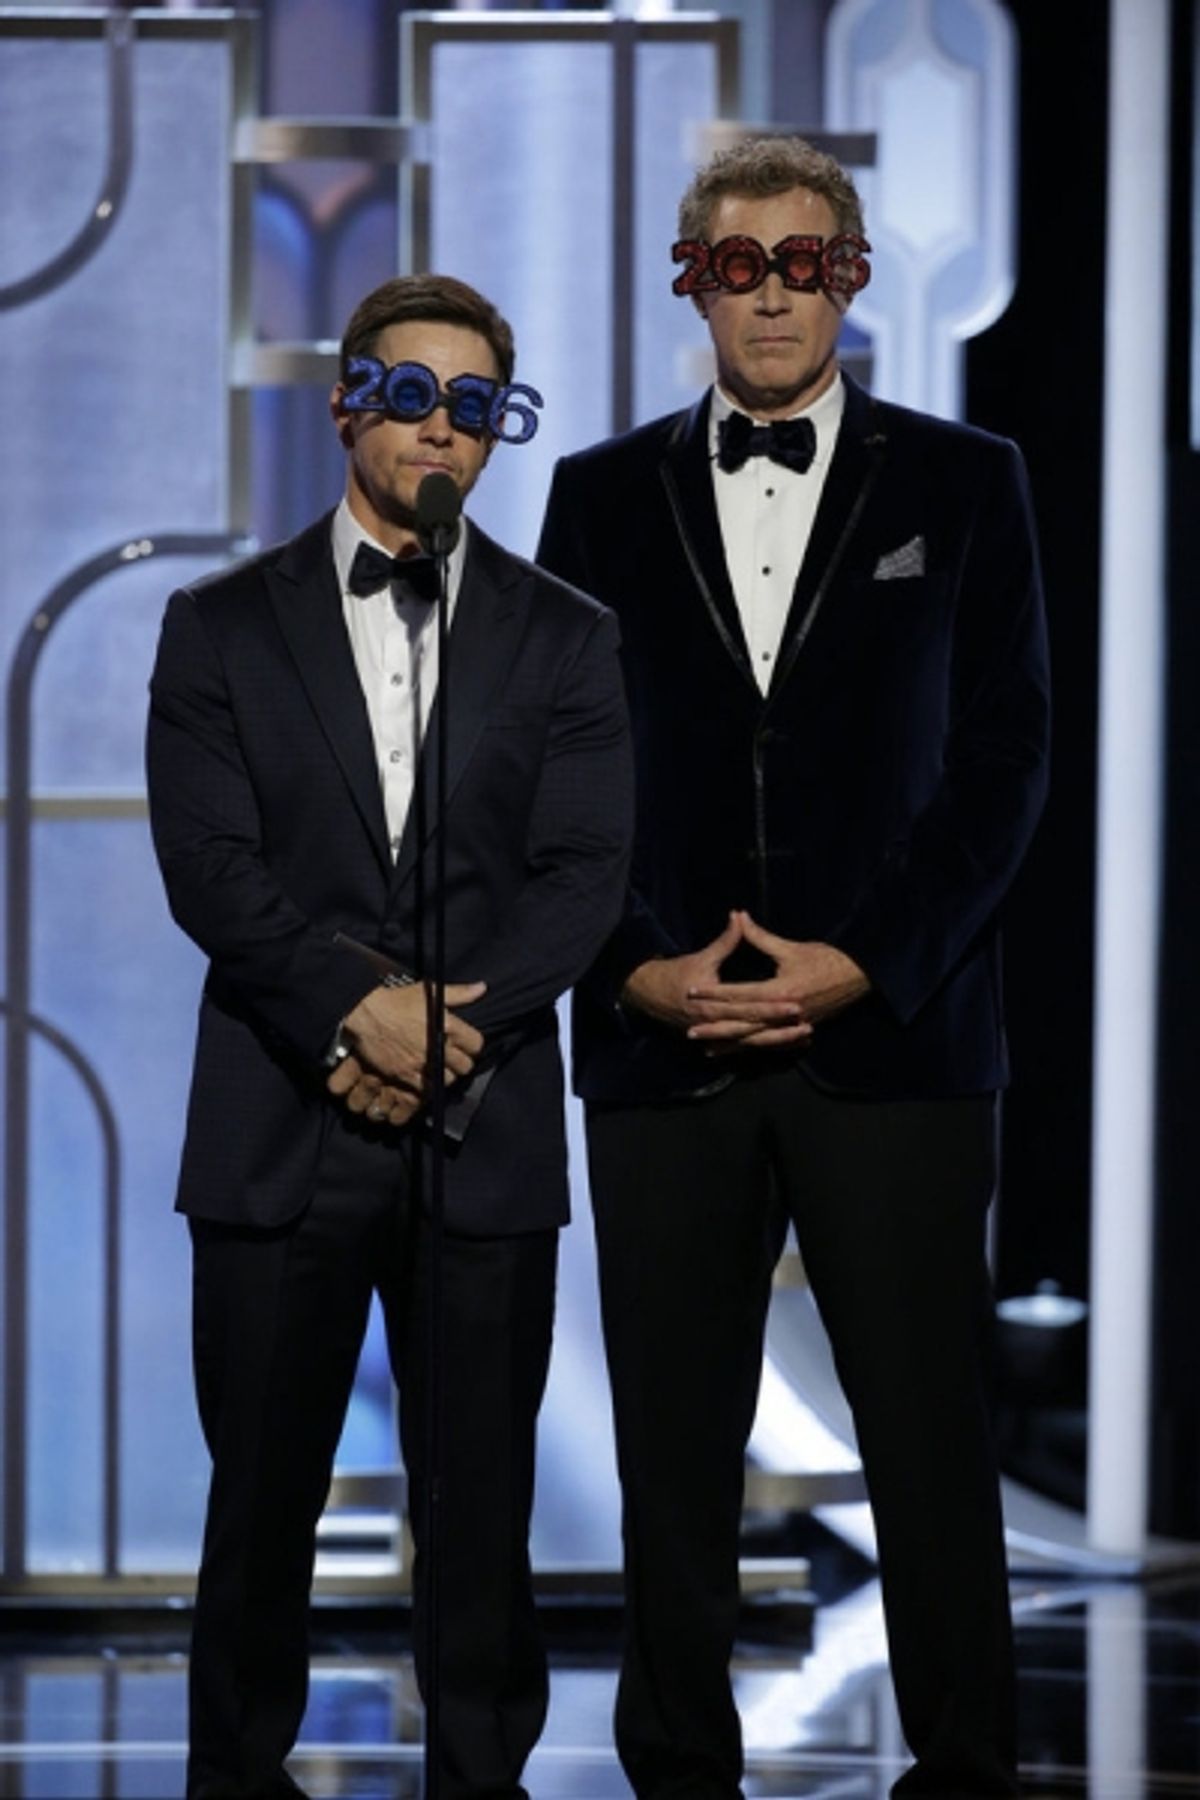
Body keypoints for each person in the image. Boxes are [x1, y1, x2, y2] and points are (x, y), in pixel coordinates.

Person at [536, 136, 1049, 1800]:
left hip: (892, 1042)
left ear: (854, 276)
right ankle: (680, 1769)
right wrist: (632, 969)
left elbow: (1005, 766)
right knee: (671, 1459)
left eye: (805, 260)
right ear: (695, 279)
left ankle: (965, 1770)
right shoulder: (601, 493)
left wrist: (862, 962)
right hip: (661, 1041)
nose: (773, 291)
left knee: (925, 1443)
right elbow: (564, 765)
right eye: (739, 262)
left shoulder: (970, 482)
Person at [147, 272, 632, 1800]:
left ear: (497, 438)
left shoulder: (567, 638)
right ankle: (234, 1773)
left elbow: (582, 877)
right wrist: (362, 1012)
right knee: (261, 1501)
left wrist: (446, 1035)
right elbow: (210, 868)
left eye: (476, 408)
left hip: (478, 1135)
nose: (444, 430)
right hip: (281, 1121)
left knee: (479, 1508)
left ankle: (482, 1779)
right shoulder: (218, 624)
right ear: (350, 399)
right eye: (415, 395)